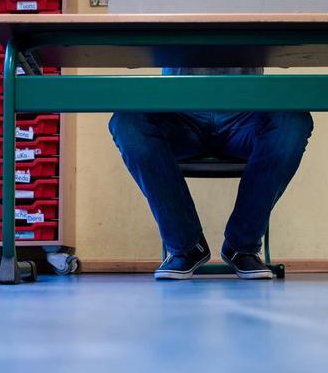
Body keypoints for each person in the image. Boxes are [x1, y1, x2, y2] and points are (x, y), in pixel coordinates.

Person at [108, 97, 314, 280]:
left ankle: (242, 246)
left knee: (293, 121)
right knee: (127, 121)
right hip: (178, 115)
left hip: (245, 115)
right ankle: (186, 247)